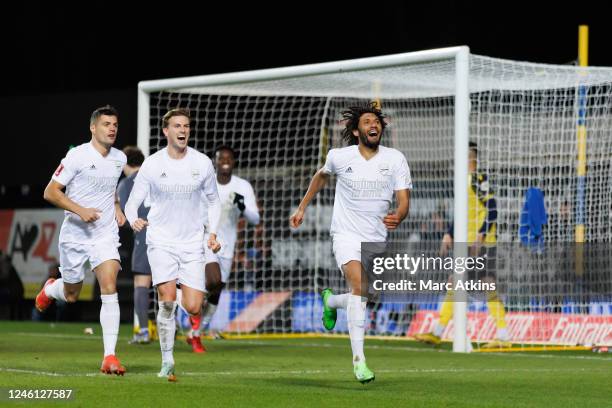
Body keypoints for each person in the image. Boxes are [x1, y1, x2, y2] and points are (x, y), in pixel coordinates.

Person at [290, 102, 412, 384]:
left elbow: (404, 200)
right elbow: (321, 176)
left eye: (376, 122)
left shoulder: (395, 159)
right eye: (367, 121)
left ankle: (331, 301)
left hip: (376, 239)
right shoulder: (340, 156)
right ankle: (359, 362)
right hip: (345, 234)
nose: (373, 125)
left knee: (365, 295)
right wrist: (302, 207)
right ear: (357, 131)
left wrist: (400, 216)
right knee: (359, 290)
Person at [125, 108, 221, 381]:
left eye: (187, 126)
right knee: (167, 300)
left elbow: (213, 201)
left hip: (192, 242)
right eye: (177, 125)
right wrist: (133, 219)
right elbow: (133, 202)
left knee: (193, 306)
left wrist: (212, 232)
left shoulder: (201, 163)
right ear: (166, 131)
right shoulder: (153, 164)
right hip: (161, 241)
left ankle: (179, 301)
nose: (183, 130)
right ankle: (167, 360)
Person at [36, 105, 127, 375]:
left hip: (104, 234)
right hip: (75, 234)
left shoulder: (119, 159)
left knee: (109, 284)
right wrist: (81, 210)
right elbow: (50, 192)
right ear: (93, 127)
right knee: (71, 294)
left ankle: (109, 357)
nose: (112, 128)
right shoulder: (76, 156)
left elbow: (110, 188)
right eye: (106, 124)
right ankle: (51, 288)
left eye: (115, 125)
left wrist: (118, 207)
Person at [415, 141, 510, 349]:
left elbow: (493, 209)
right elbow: (461, 213)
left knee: (461, 282)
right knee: (482, 284)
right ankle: (503, 335)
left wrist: (481, 235)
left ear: (470, 157)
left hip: (480, 244)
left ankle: (440, 332)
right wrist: (449, 234)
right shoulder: (464, 181)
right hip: (467, 242)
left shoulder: (478, 179)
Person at [182, 145, 260, 350]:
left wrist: (242, 206)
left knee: (217, 289)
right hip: (205, 238)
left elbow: (255, 219)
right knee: (213, 279)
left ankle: (196, 332)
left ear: (233, 162)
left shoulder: (242, 187)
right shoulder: (205, 184)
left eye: (228, 158)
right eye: (220, 158)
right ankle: (192, 298)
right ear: (215, 161)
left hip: (228, 244)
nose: (224, 160)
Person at [117, 146, 153, 344]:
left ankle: (144, 332)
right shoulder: (154, 176)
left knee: (141, 283)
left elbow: (123, 214)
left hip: (144, 234)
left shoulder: (126, 184)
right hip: (168, 233)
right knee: (170, 285)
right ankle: (176, 330)